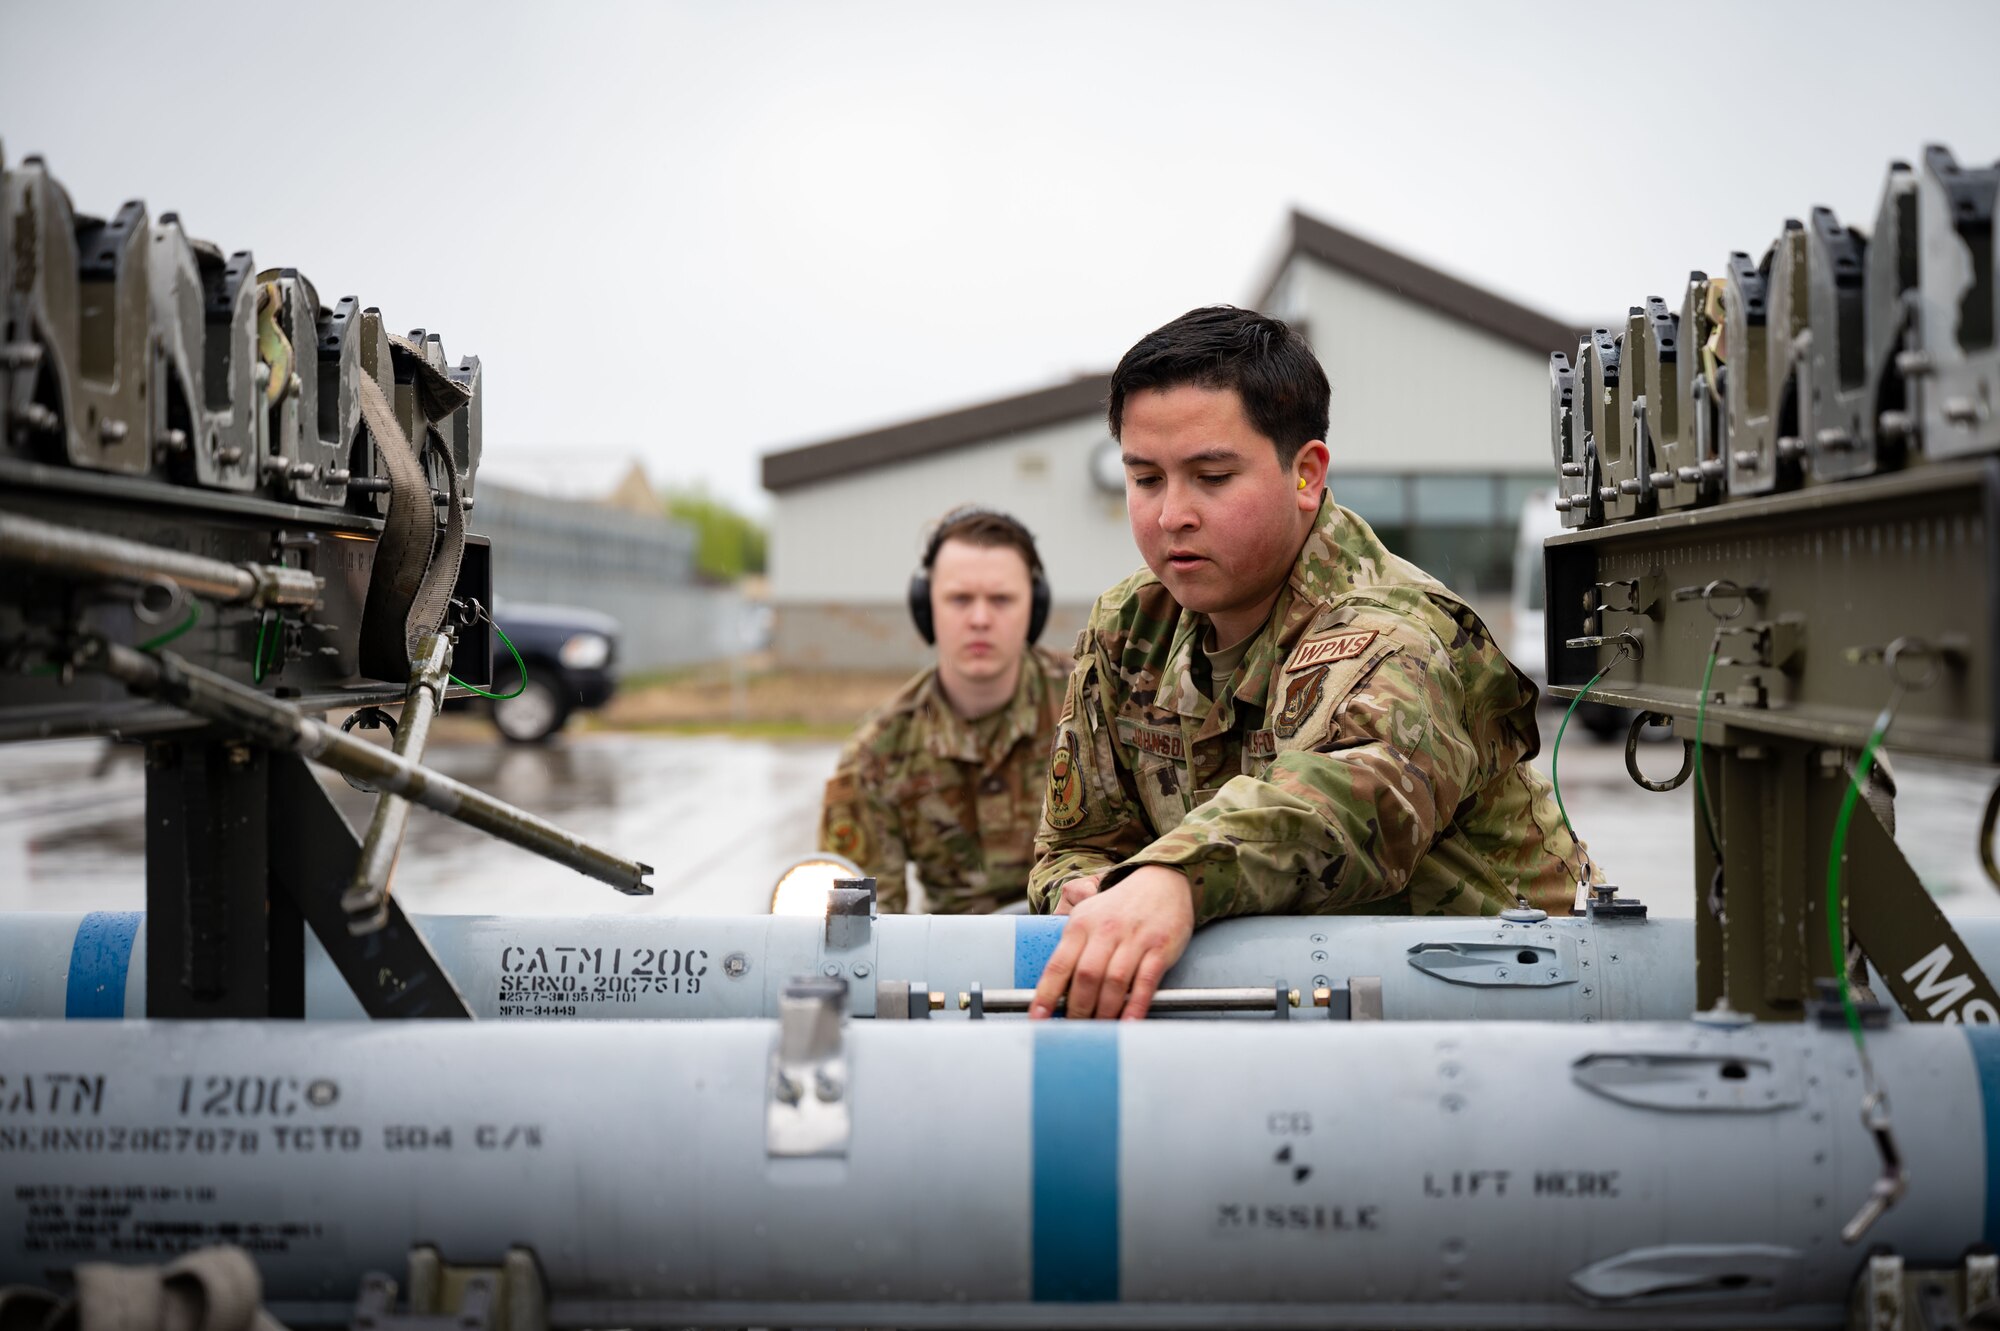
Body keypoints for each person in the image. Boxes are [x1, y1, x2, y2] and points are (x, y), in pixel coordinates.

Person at [1027, 306, 1598, 1019]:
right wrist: (1090, 890)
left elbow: (1343, 803)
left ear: (1306, 474)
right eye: (1145, 479)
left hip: (1488, 1015)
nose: (1172, 514)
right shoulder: (1128, 628)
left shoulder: (1394, 630)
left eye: (1210, 476)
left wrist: (1172, 878)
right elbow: (1075, 842)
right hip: (1279, 1018)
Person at [818, 507, 1071, 913]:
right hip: (951, 961)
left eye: (1002, 599)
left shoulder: (1095, 703)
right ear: (925, 607)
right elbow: (862, 929)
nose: (980, 619)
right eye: (959, 599)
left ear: (1035, 607)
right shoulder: (878, 754)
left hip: (1092, 943)